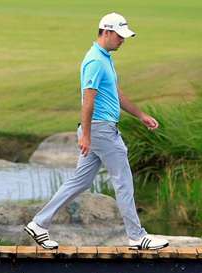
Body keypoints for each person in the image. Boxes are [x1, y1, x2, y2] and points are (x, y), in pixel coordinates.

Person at [25, 13, 167, 251]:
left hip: (99, 129)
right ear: (106, 32)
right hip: (101, 130)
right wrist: (87, 136)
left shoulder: (105, 58)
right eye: (119, 36)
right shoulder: (94, 61)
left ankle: (39, 223)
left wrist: (141, 115)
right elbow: (88, 101)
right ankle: (136, 236)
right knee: (123, 181)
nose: (122, 40)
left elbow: (116, 94)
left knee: (80, 181)